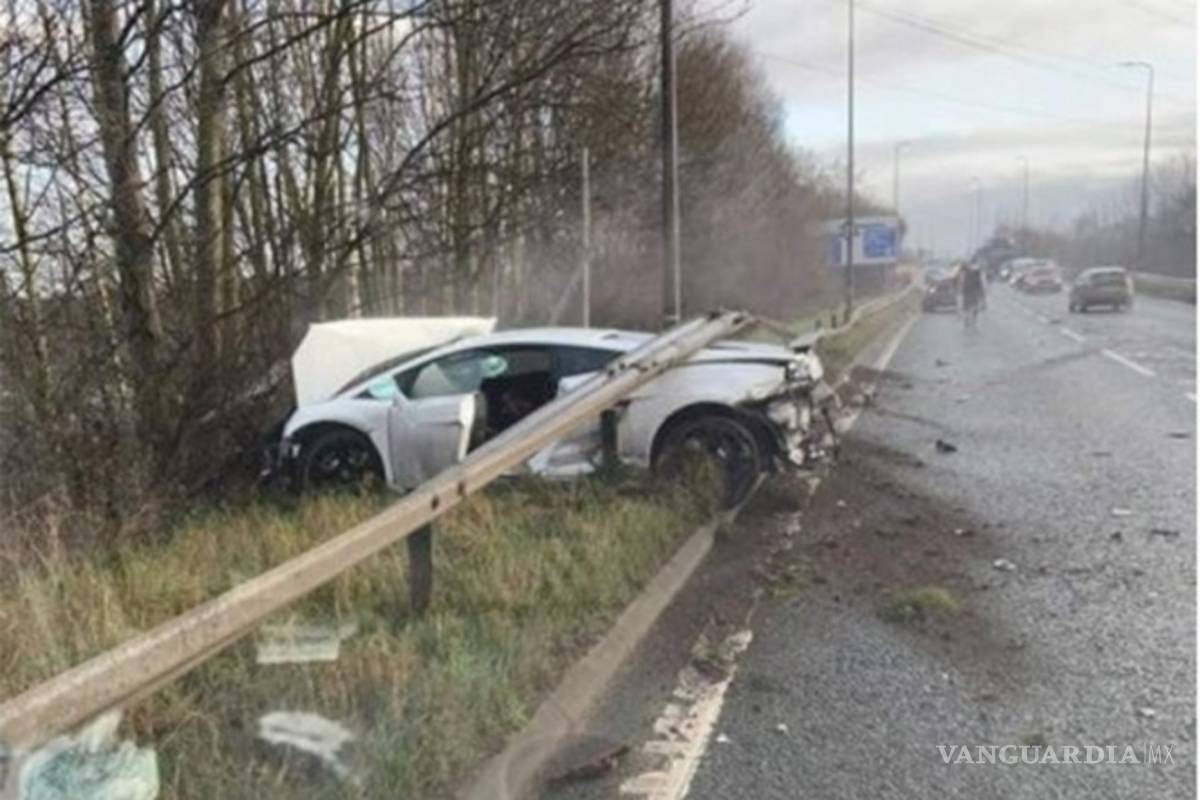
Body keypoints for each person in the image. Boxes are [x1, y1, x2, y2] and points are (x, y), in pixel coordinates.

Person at [958, 260, 986, 326]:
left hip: (968, 291)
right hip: (972, 291)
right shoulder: (976, 272)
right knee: (973, 307)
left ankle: (968, 319)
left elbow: (961, 283)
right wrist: (982, 296)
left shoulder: (966, 272)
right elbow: (981, 284)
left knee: (968, 307)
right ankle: (972, 320)